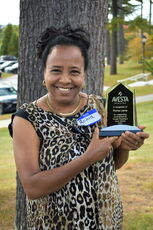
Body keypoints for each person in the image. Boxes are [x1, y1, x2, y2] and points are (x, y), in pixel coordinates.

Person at [9, 25, 149, 230]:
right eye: (56, 70)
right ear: (44, 72)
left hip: (107, 221)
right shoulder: (27, 118)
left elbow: (111, 165)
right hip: (55, 225)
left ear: (83, 75)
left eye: (74, 71)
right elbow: (32, 187)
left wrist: (125, 146)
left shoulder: (99, 107)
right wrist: (88, 157)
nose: (65, 80)